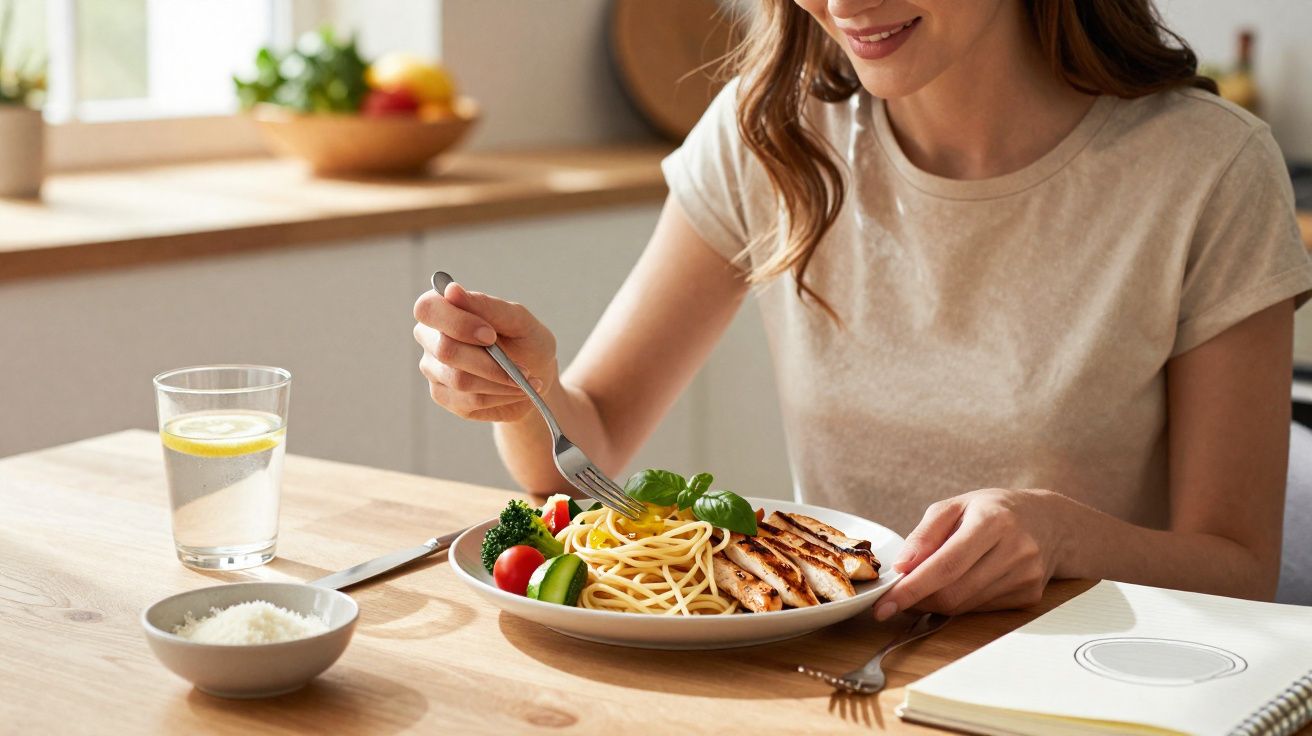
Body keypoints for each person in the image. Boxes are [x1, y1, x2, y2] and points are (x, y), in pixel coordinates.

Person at [413, 0, 1312, 619]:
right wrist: (525, 392)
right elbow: (591, 445)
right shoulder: (770, 135)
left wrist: (1060, 534)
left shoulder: (1209, 171)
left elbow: (1236, 570)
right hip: (843, 684)